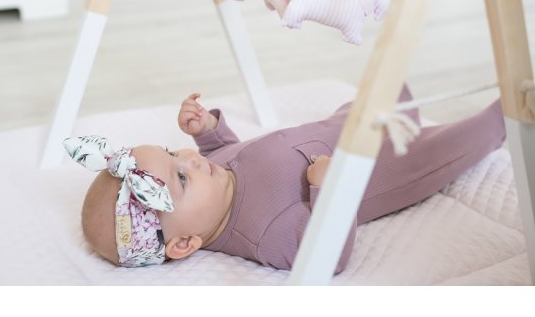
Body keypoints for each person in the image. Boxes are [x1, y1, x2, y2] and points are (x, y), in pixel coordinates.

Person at [65, 86, 506, 273]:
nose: (190, 160)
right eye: (180, 177)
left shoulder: (214, 178)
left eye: (171, 151)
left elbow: (223, 151)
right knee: (466, 140)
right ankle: (506, 119)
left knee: (382, 88)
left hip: (344, 125)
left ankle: (401, 103)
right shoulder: (263, 234)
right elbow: (327, 257)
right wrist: (326, 191)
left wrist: (208, 132)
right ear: (184, 243)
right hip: (389, 164)